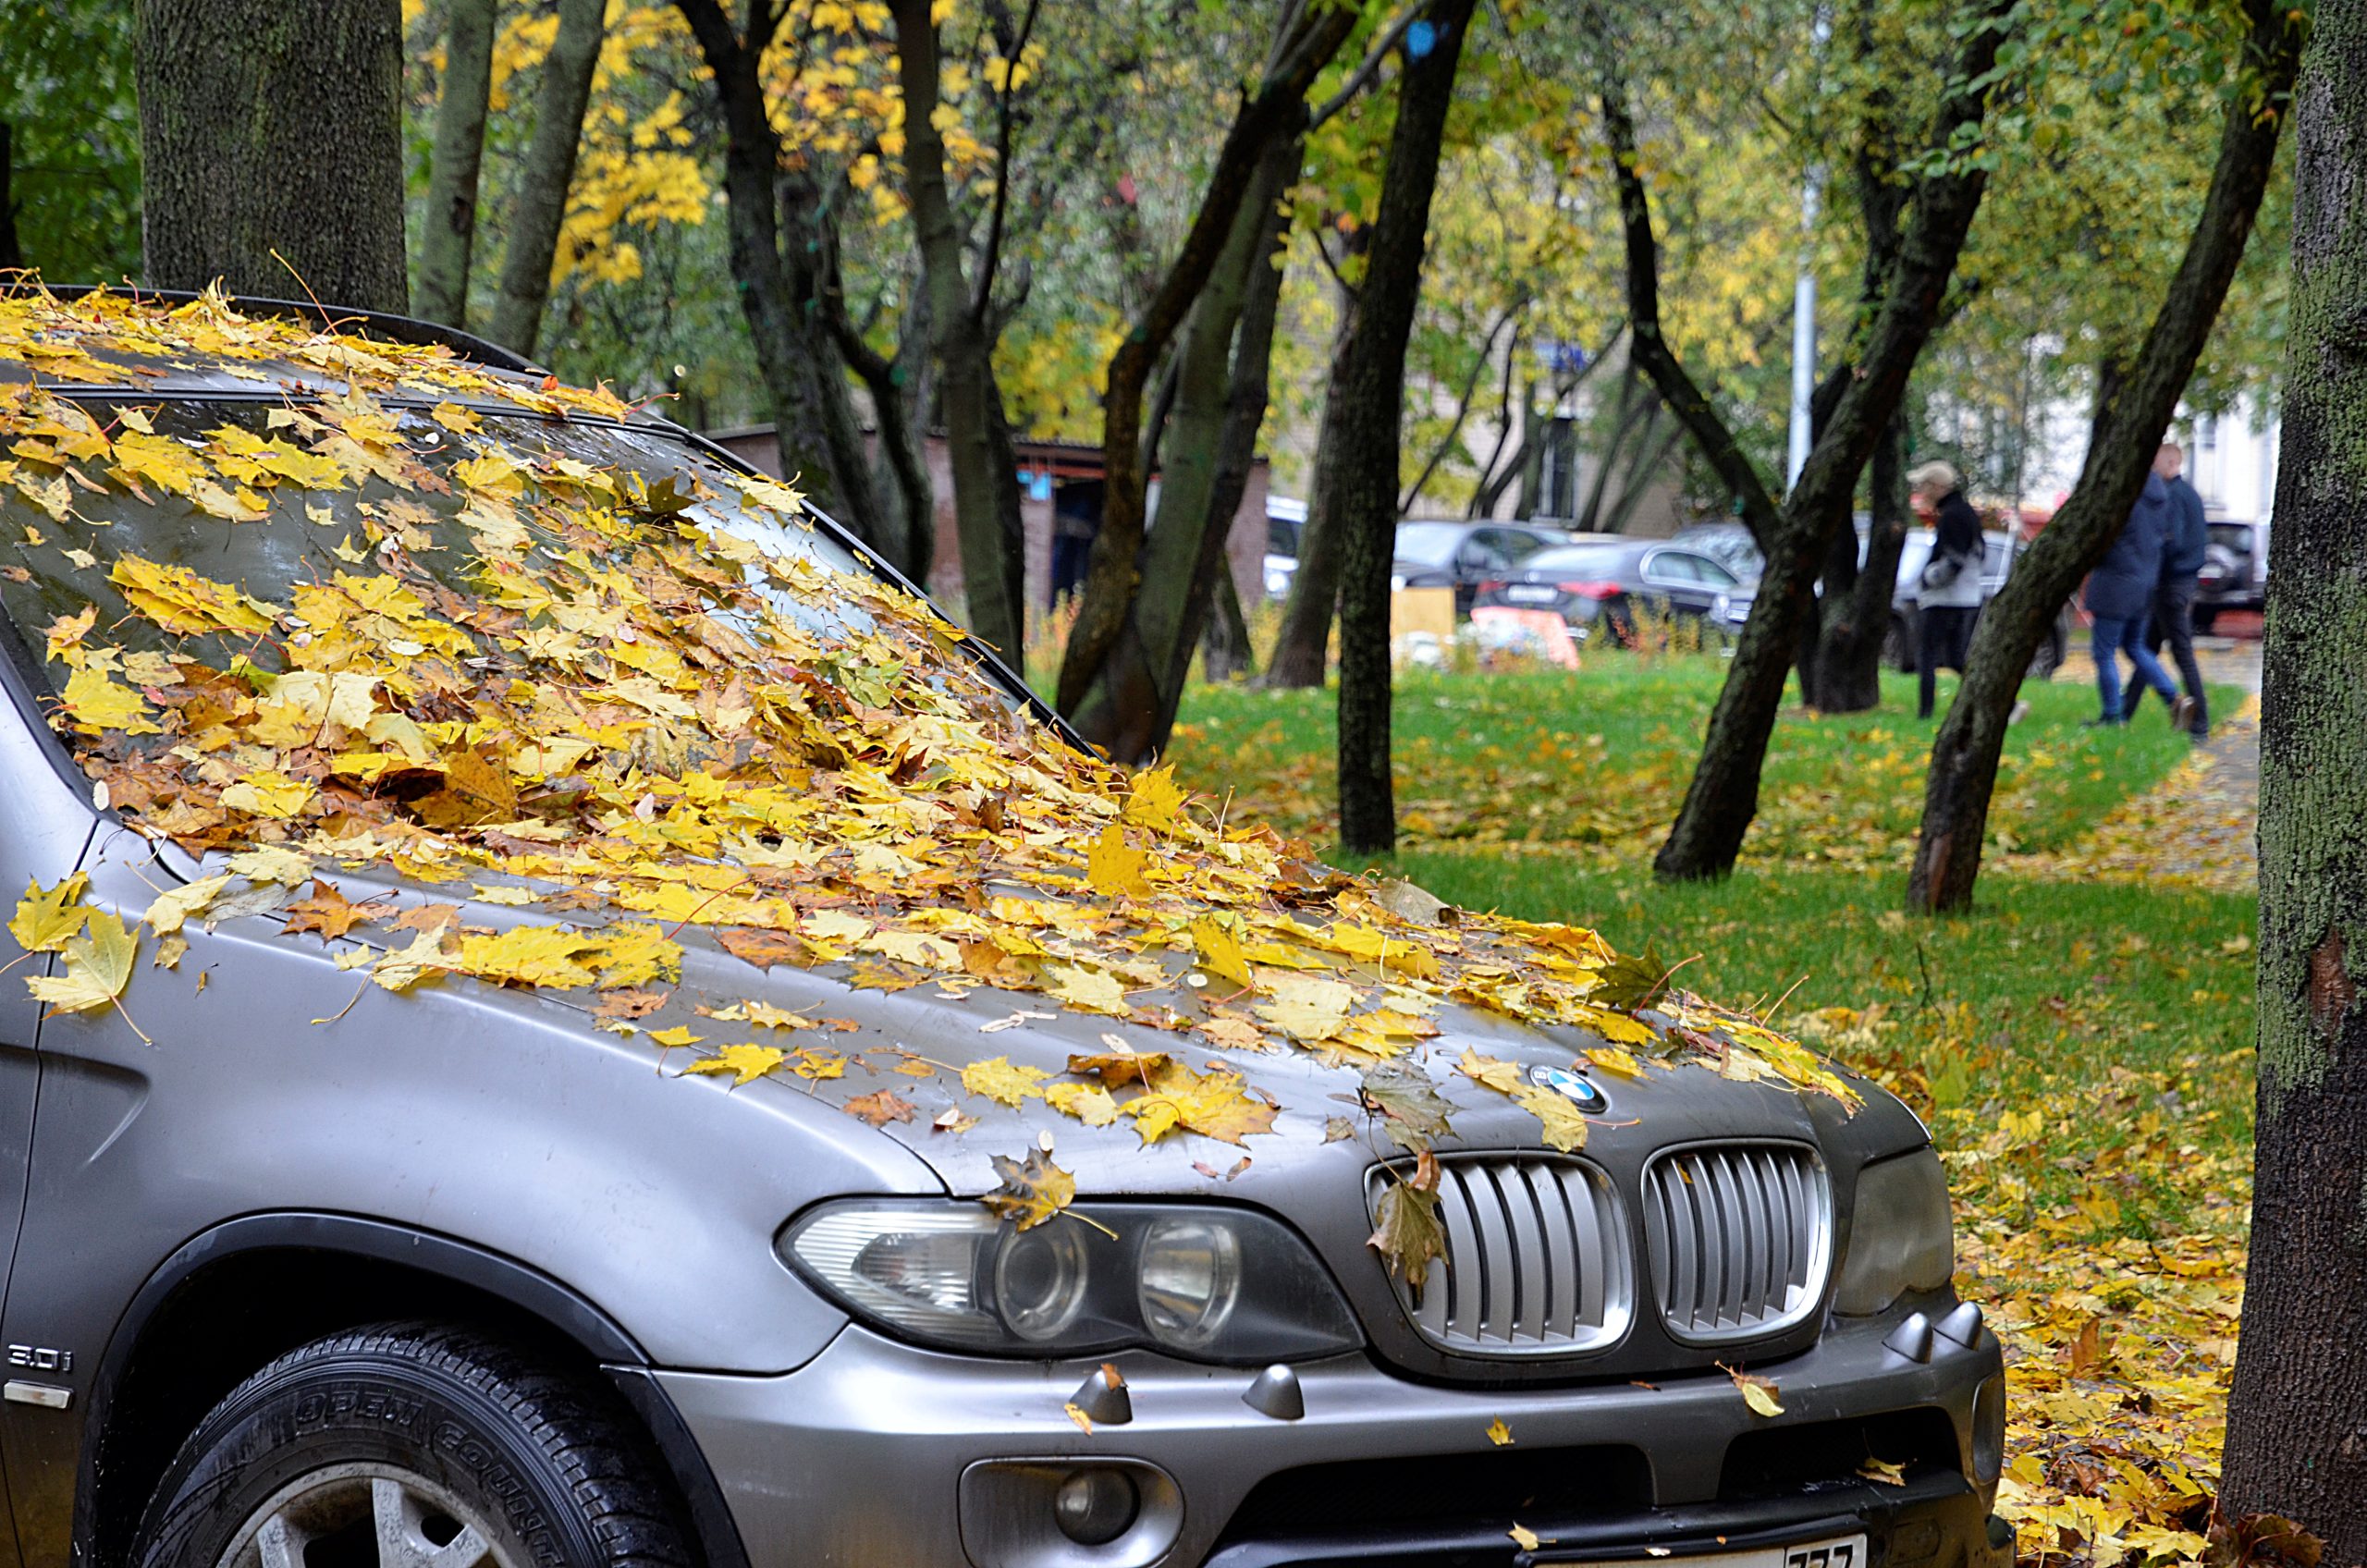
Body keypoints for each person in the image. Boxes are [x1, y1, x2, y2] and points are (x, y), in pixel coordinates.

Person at [2085, 471, 2193, 729]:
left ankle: (2112, 715)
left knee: (2104, 652)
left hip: (2115, 583)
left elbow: (2103, 539)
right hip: (2146, 583)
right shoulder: (2160, 497)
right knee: (2135, 646)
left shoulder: (2123, 495)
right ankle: (2173, 698)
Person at [2123, 442, 2210, 738]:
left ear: (2171, 463)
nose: (2152, 469)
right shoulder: (2192, 495)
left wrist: (2150, 563)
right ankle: (2122, 712)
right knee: (2145, 648)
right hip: (2180, 583)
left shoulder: (2172, 496)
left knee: (2181, 652)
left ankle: (2200, 722)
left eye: (2156, 463)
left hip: (2170, 584)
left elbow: (2172, 540)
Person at [1908, 460, 1983, 720]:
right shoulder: (1964, 512)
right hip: (1964, 598)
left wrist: (1928, 579)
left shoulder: (1952, 516)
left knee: (1927, 657)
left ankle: (1925, 713)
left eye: (1923, 485)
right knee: (1955, 659)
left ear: (1937, 486)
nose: (1920, 491)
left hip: (1945, 600)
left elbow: (1954, 561)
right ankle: (1995, 702)